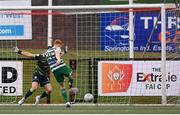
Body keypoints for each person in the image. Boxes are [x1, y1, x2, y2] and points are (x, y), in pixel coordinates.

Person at [43, 39, 73, 107]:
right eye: (60, 45)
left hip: (54, 70)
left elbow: (59, 55)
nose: (60, 47)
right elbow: (58, 56)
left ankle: (67, 102)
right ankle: (70, 81)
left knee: (62, 86)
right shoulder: (58, 48)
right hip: (61, 66)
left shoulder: (46, 52)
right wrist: (58, 60)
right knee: (71, 72)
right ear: (58, 44)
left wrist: (65, 52)